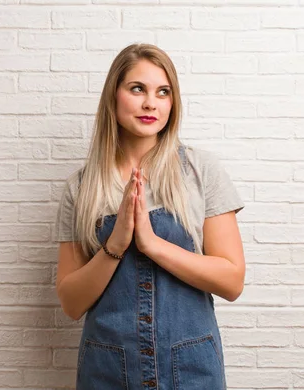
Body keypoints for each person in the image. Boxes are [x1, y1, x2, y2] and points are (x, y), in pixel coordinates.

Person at [54, 43, 245, 390]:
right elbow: (71, 302)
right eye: (137, 88)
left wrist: (152, 244)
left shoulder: (201, 172)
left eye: (163, 92)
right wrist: (115, 244)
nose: (150, 103)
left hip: (191, 370)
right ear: (114, 95)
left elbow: (231, 281)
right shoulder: (81, 188)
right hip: (107, 370)